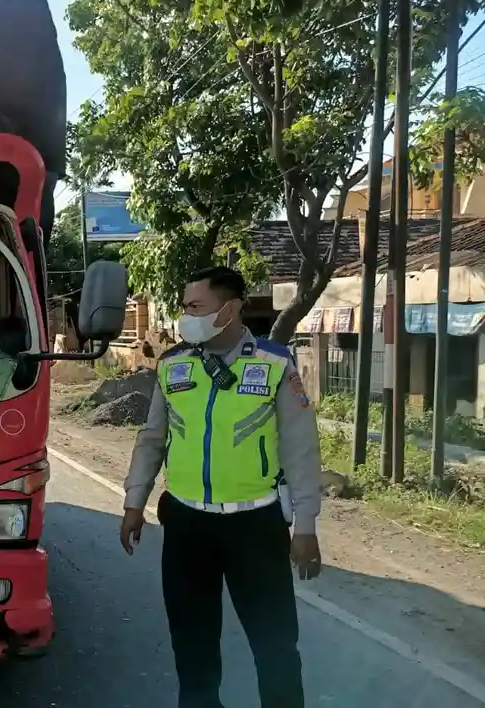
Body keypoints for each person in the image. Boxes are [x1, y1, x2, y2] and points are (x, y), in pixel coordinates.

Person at [120, 266, 322, 708]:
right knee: (192, 646)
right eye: (185, 307)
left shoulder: (274, 365)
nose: (186, 316)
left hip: (255, 526)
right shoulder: (173, 365)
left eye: (196, 307)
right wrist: (135, 502)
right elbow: (152, 438)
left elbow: (301, 449)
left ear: (229, 309)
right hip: (187, 525)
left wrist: (305, 526)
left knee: (274, 645)